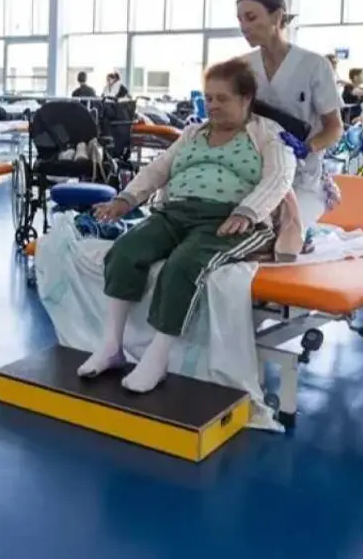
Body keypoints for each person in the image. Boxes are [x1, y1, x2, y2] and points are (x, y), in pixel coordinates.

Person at [77, 58, 296, 393]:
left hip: (231, 220)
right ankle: (111, 346)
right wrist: (126, 199)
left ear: (246, 98)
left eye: (223, 98)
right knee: (125, 252)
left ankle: (158, 357)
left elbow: (280, 178)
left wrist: (247, 212)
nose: (213, 105)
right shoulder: (194, 132)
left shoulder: (269, 134)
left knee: (183, 264)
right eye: (209, 98)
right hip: (175, 213)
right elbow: (159, 168)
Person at [236, 0, 344, 228]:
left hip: (303, 180)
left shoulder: (314, 65)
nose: (244, 27)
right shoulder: (243, 67)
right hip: (257, 175)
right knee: (240, 230)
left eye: (251, 18)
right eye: (240, 20)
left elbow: (335, 127)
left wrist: (306, 148)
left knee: (281, 235)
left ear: (277, 17)